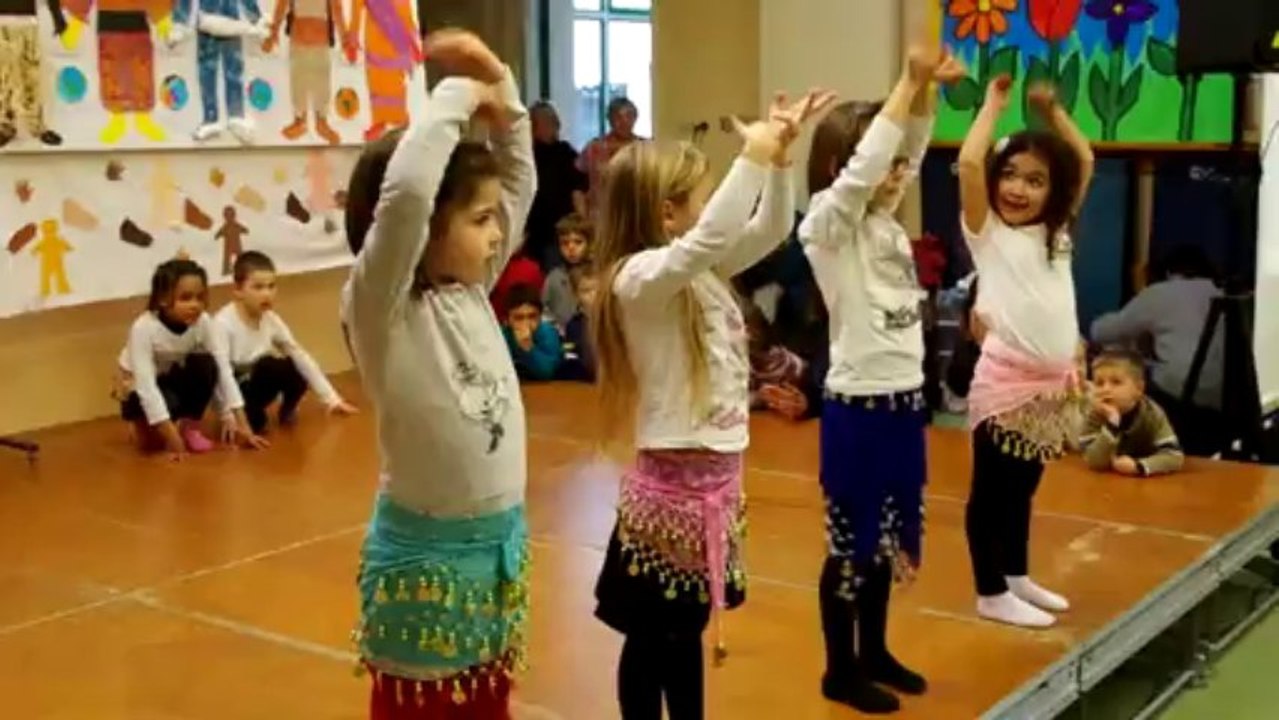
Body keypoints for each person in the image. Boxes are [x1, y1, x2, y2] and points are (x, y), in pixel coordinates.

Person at [589, 87, 833, 720]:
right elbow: (712, 235)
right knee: (652, 636)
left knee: (686, 631)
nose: (707, 208)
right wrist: (749, 157)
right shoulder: (638, 279)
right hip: (669, 496)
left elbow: (773, 229)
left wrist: (778, 161)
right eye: (697, 196)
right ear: (670, 213)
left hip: (715, 491)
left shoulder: (697, 270)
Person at [340, 30, 535, 718]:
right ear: (424, 229)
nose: (495, 234)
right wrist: (460, 91)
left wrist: (504, 94)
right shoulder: (380, 307)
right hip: (426, 566)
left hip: (496, 557)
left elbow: (520, 183)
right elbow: (408, 193)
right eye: (478, 220)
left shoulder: (470, 290)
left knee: (488, 703)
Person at [799, 29, 964, 713]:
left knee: (886, 541)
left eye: (898, 167)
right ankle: (839, 668)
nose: (893, 174)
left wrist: (923, 96)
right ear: (842, 166)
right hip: (856, 413)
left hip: (901, 409)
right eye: (881, 164)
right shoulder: (826, 227)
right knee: (849, 547)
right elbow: (864, 171)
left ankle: (874, 649)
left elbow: (908, 153)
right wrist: (904, 84)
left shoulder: (883, 225)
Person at [958, 75, 1095, 629]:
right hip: (1007, 383)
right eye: (1010, 175)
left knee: (1024, 486)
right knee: (991, 491)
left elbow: (1082, 159)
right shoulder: (987, 231)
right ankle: (989, 591)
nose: (1017, 188)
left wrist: (1052, 110)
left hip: (1051, 385)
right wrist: (993, 106)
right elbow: (969, 164)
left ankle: (1014, 575)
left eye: (1035, 180)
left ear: (1053, 193)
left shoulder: (1055, 233)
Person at [114, 258, 267, 460]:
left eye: (200, 297)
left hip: (172, 377)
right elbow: (146, 387)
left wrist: (242, 425)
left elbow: (222, 370)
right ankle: (142, 426)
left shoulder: (203, 322)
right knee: (150, 445)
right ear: (162, 299)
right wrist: (172, 439)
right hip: (137, 386)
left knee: (206, 364)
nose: (195, 305)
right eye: (185, 298)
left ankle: (189, 427)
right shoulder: (143, 328)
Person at [1089, 244, 1223, 455]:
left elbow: (1101, 332)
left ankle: (1121, 448)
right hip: (1226, 404)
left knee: (1123, 377)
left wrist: (1141, 291)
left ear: (1168, 272)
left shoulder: (1161, 293)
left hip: (1182, 399)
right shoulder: (1221, 293)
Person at [214, 251, 357, 434]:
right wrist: (228, 414)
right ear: (238, 290)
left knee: (289, 365)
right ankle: (251, 415)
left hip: (257, 382)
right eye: (258, 287)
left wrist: (332, 399)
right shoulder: (223, 324)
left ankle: (287, 409)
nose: (267, 294)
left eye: (271, 286)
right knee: (256, 422)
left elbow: (299, 354)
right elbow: (221, 373)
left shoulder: (271, 319)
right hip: (236, 390)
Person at [1080, 348, 1184, 476]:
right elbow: (1093, 461)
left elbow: (1174, 456)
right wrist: (1112, 425)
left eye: (1116, 382)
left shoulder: (1152, 414)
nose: (1105, 389)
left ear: (1139, 389)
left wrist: (1139, 466)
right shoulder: (1095, 414)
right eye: (1099, 383)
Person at [526, 101, 588, 271]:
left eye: (551, 122)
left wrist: (583, 223)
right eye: (543, 122)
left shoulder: (565, 152)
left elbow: (578, 189)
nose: (549, 126)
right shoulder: (525, 154)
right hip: (534, 229)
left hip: (563, 226)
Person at [579, 96, 643, 217]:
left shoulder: (645, 148)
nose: (624, 122)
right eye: (618, 117)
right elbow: (578, 186)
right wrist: (583, 217)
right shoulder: (594, 147)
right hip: (601, 215)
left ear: (635, 118)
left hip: (637, 214)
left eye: (629, 116)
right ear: (609, 119)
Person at [501, 283, 563, 381]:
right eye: (519, 318)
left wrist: (529, 348)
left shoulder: (548, 333)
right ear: (507, 320)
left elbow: (548, 373)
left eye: (532, 316)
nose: (526, 323)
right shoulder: (500, 336)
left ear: (540, 316)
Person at [542, 212, 592, 329]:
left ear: (590, 243)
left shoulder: (598, 275)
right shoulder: (554, 277)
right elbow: (544, 310)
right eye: (564, 243)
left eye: (578, 242)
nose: (571, 248)